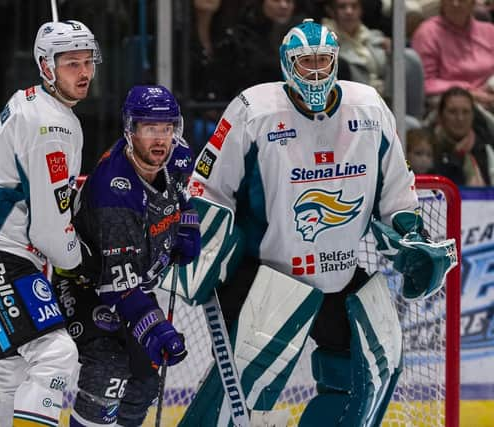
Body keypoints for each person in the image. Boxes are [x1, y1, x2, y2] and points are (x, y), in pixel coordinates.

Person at [178, 19, 456, 426]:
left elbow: (397, 193)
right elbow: (207, 188)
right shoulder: (255, 111)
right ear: (286, 65)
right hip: (268, 276)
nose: (315, 73)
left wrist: (411, 235)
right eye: (305, 63)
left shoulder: (369, 109)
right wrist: (199, 246)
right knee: (243, 391)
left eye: (324, 62)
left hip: (338, 275)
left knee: (376, 368)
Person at [0, 20, 102, 427]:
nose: (83, 73)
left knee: (11, 368)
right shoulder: (53, 126)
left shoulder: (31, 100)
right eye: (71, 64)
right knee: (54, 353)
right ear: (47, 67)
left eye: (88, 62)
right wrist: (82, 262)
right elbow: (49, 228)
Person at [51, 85, 200, 427]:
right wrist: (156, 327)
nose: (160, 139)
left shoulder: (178, 157)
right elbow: (117, 287)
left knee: (145, 380)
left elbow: (182, 196)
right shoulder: (113, 192)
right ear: (130, 131)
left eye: (167, 128)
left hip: (133, 285)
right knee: (109, 367)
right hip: (86, 285)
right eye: (150, 129)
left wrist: (187, 225)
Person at [411, 0, 494, 112]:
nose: (455, 3)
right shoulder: (427, 33)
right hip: (451, 105)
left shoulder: (489, 31)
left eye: (461, 0)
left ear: (473, 3)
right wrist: (468, 93)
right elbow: (426, 83)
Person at [434, 86, 494, 185]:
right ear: (440, 115)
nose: (460, 118)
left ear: (473, 115)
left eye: (466, 112)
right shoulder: (428, 147)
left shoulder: (486, 149)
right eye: (452, 112)